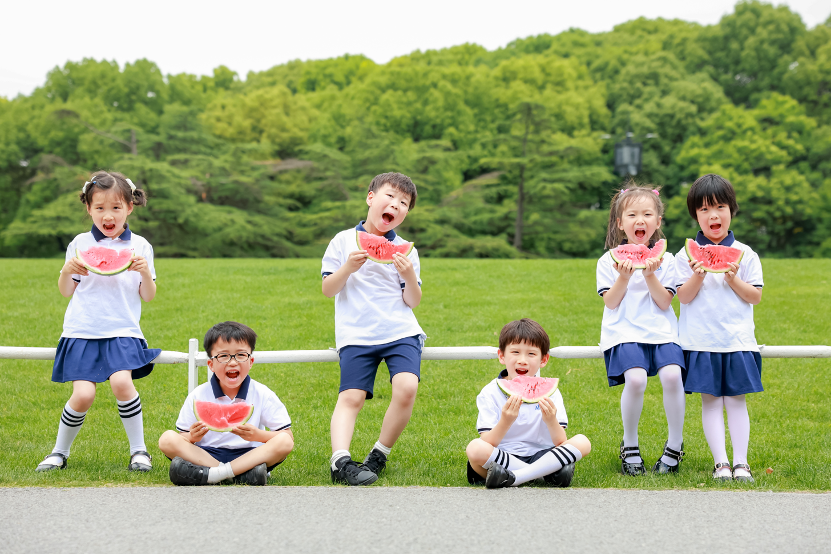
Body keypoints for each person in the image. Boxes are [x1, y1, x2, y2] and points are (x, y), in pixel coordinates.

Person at [36, 172, 159, 473]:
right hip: (82, 330)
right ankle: (58, 453)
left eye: (116, 207)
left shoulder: (140, 246)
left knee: (121, 383)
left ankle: (139, 452)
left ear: (130, 207)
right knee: (83, 395)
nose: (108, 215)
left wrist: (143, 272)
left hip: (123, 330)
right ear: (89, 209)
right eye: (100, 207)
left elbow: (148, 296)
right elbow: (67, 291)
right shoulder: (79, 243)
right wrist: (66, 270)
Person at [321, 172, 426, 486]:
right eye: (390, 196)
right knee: (351, 397)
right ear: (371, 197)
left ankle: (380, 452)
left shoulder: (407, 250)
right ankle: (340, 460)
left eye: (403, 203)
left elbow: (413, 300)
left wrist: (408, 276)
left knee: (407, 387)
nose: (395, 204)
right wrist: (348, 268)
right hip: (357, 334)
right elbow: (328, 288)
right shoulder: (342, 241)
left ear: (405, 213)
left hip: (400, 331)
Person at [676, 174, 764, 483]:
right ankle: (721, 464)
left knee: (737, 402)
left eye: (720, 207)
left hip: (738, 340)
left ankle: (742, 463)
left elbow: (755, 296)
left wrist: (731, 277)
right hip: (701, 341)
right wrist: (698, 275)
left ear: (732, 210)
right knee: (711, 402)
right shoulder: (682, 256)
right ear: (695, 216)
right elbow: (683, 297)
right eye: (704, 209)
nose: (713, 215)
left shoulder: (746, 254)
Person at [596, 185, 687, 475]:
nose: (640, 220)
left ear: (657, 222)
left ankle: (675, 444)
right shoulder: (607, 261)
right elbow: (610, 302)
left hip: (662, 331)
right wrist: (623, 277)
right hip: (624, 332)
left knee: (672, 376)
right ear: (620, 223)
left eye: (648, 214)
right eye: (632, 214)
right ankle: (630, 444)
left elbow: (664, 301)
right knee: (635, 381)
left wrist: (650, 274)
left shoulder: (667, 260)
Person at [159, 321, 294, 486]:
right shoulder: (198, 395)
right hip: (205, 455)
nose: (232, 362)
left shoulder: (262, 393)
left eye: (241, 355)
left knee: (284, 442)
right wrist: (192, 437)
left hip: (250, 455)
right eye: (223, 356)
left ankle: (210, 475)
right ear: (211, 364)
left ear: (251, 362)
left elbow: (287, 437)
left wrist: (258, 435)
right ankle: (240, 475)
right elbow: (182, 438)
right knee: (167, 439)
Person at [466, 319, 591, 488]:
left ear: (544, 359)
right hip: (503, 455)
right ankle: (547, 475)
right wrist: (506, 421)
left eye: (531, 354)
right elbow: (487, 441)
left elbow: (561, 441)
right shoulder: (489, 393)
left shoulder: (551, 392)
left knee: (583, 442)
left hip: (543, 455)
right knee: (475, 448)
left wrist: (551, 420)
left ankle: (513, 478)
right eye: (515, 352)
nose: (522, 360)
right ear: (502, 356)